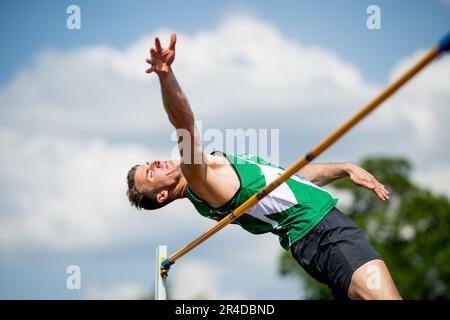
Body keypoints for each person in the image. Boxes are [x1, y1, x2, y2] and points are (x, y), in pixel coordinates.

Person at [126, 33, 402, 300]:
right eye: (151, 173)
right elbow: (184, 123)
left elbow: (288, 181)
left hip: (318, 235)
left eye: (149, 162)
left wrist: (344, 168)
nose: (156, 163)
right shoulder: (199, 178)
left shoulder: (208, 173)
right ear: (162, 195)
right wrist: (165, 75)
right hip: (321, 232)